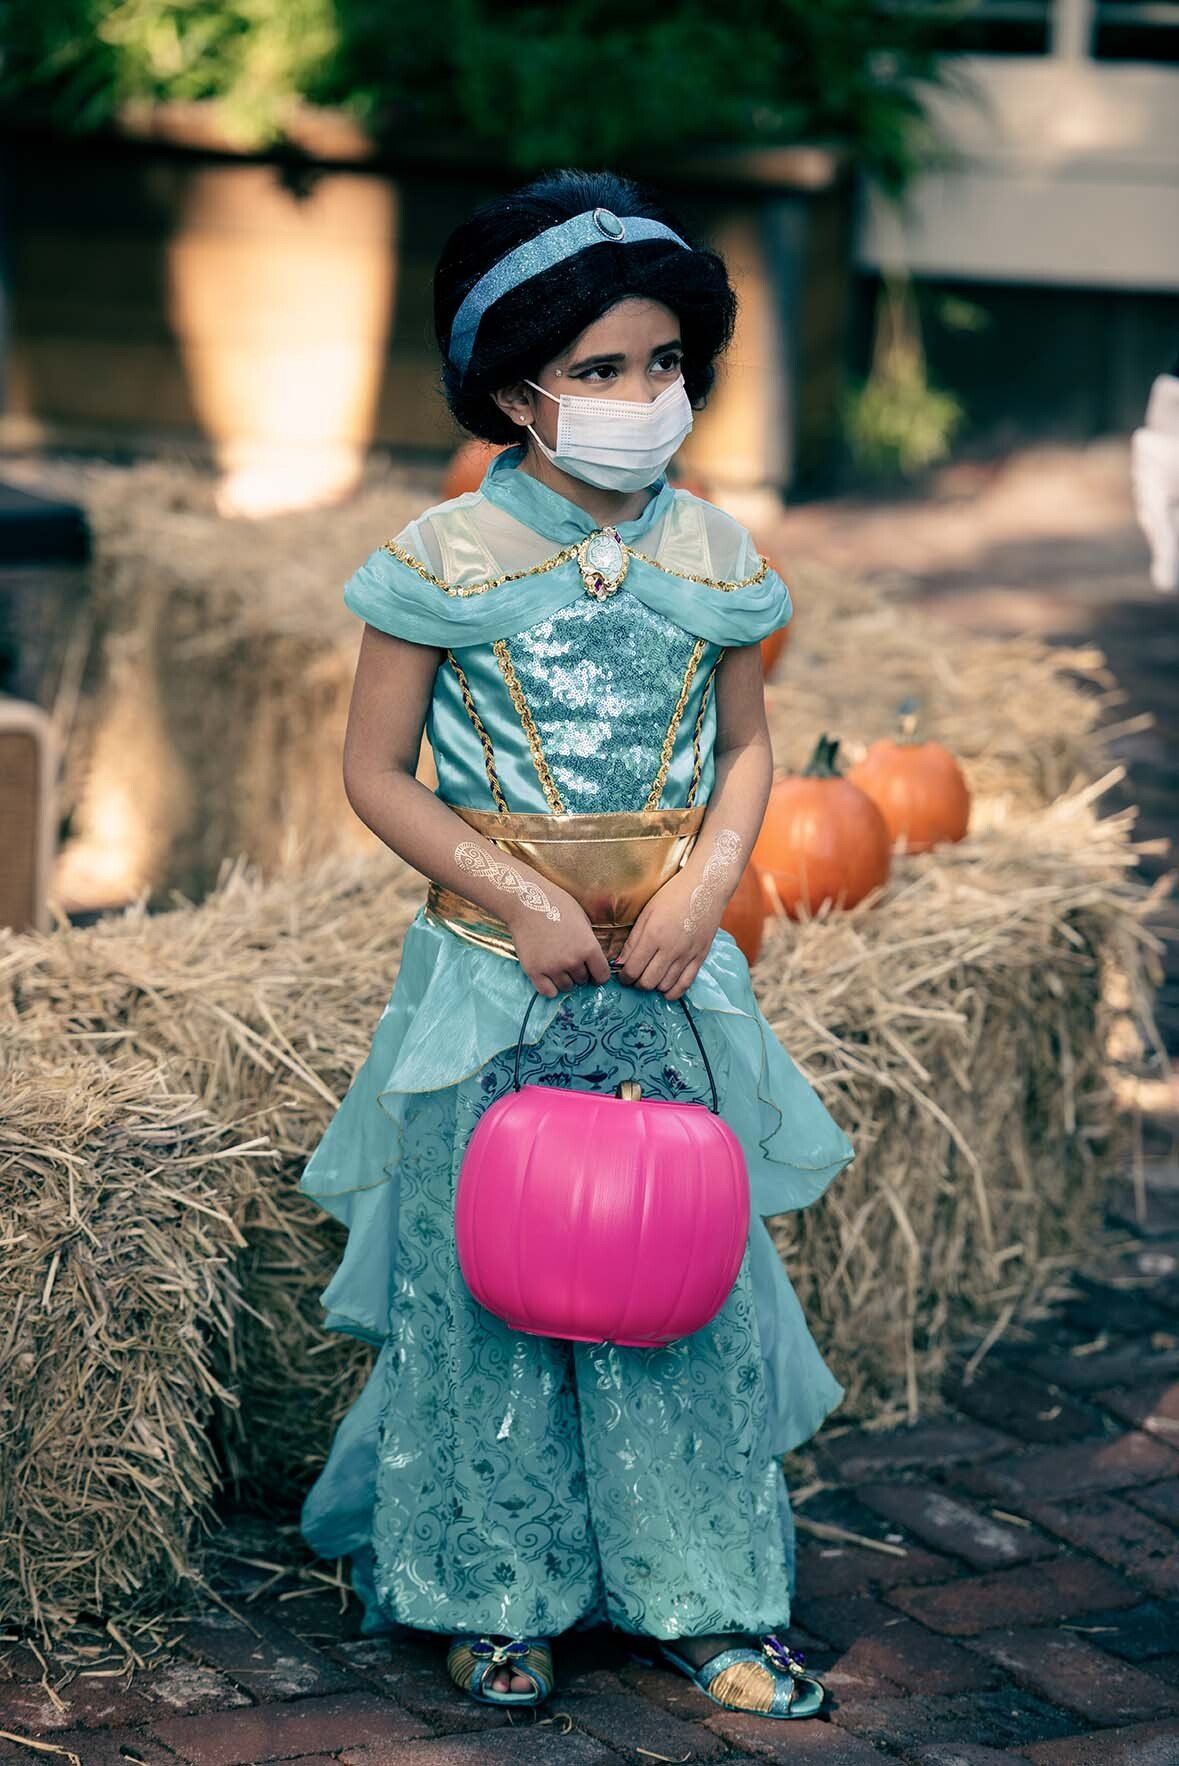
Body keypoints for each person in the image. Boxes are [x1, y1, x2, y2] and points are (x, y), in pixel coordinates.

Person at [298, 167, 856, 1722]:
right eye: (600, 369)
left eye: (665, 364)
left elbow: (748, 749)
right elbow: (371, 771)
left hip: (665, 982)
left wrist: (706, 888)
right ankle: (493, 1588)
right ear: (510, 387)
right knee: (489, 1289)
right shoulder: (444, 561)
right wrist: (524, 899)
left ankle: (705, 1593)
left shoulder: (716, 557)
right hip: (495, 978)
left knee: (677, 1283)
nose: (640, 394)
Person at [1131, 348, 1179, 593]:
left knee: (1160, 514)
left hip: (1158, 448)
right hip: (1159, 446)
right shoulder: (1166, 386)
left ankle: (1167, 558)